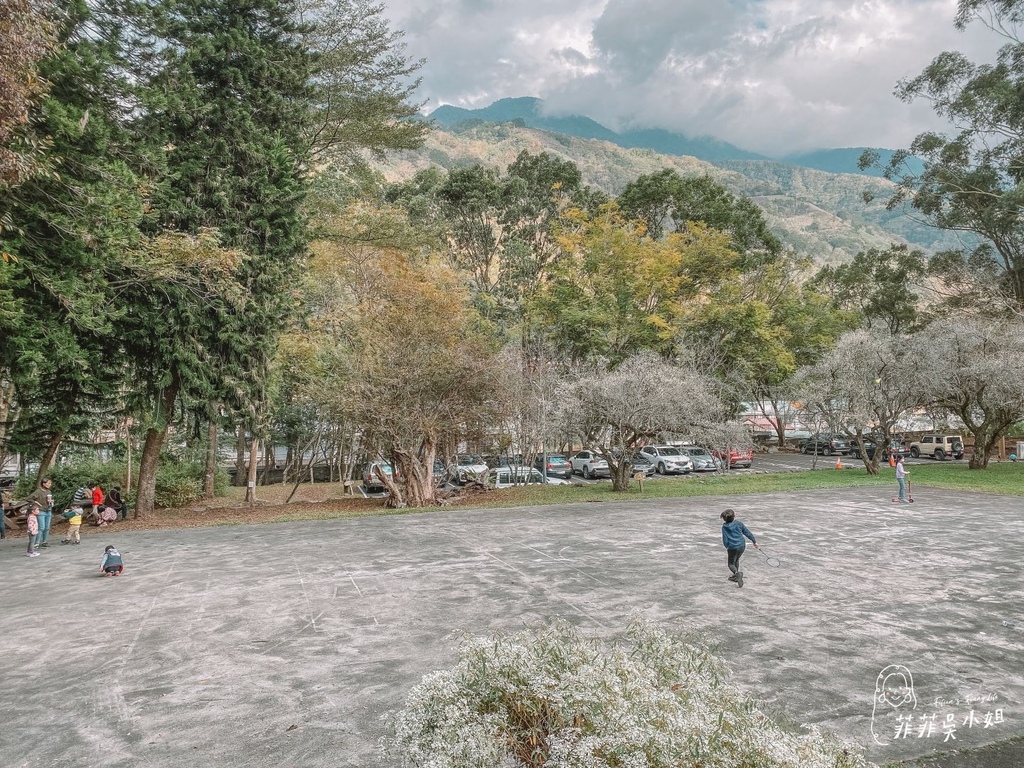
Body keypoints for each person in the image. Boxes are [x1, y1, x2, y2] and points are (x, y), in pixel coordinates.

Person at [720, 508, 759, 588]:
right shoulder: (739, 523)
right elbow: (747, 532)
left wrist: (727, 546)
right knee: (736, 559)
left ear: (724, 519)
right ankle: (736, 577)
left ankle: (737, 574)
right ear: (734, 516)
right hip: (742, 546)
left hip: (732, 547)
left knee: (731, 563)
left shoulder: (724, 527)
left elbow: (725, 539)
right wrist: (754, 541)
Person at [26, 477, 54, 548]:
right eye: (48, 483)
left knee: (47, 527)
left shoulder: (49, 492)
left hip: (48, 510)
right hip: (41, 511)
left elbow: (49, 500)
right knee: (41, 527)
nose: (50, 484)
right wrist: (36, 502)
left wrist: (51, 501)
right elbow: (28, 498)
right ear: (43, 483)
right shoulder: (38, 491)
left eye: (50, 483)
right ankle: (36, 543)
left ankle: (45, 542)